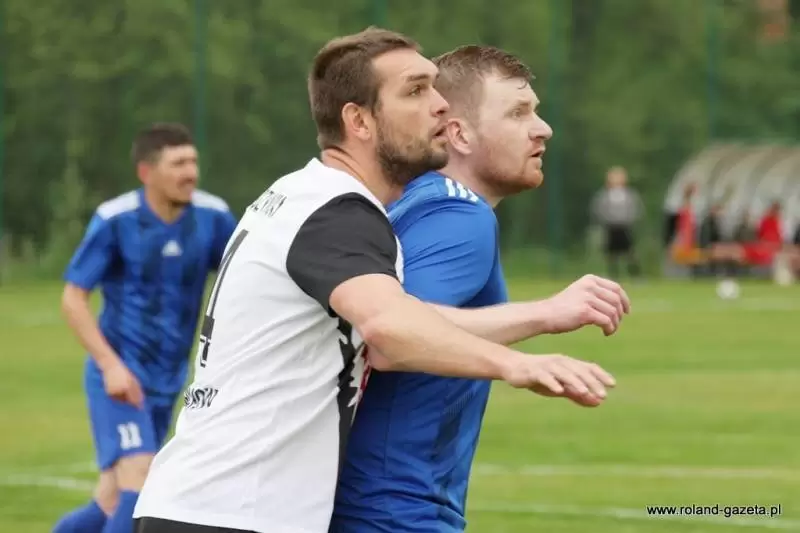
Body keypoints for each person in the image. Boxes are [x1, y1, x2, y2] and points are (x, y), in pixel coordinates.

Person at [132, 28, 620, 533]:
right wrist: (518, 363)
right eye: (416, 90)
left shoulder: (305, 195)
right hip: (234, 513)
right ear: (359, 120)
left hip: (215, 503)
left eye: (435, 87)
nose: (440, 105)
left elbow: (396, 320)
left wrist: (542, 317)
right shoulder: (339, 210)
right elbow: (389, 330)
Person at [331, 45, 630, 533]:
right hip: (395, 510)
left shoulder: (419, 202)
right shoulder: (459, 216)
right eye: (518, 113)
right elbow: (390, 332)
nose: (542, 128)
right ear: (459, 134)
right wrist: (545, 314)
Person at [54, 123, 238, 533]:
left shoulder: (212, 217)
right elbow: (73, 298)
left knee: (109, 502)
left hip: (168, 381)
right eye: (178, 164)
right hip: (120, 380)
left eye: (192, 161)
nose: (190, 172)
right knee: (139, 485)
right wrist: (110, 366)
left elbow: (244, 278)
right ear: (146, 172)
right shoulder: (116, 219)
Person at [590, 166, 644, 279]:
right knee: (611, 254)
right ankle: (613, 275)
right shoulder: (605, 195)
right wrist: (607, 220)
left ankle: (635, 275)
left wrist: (629, 220)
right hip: (611, 227)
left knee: (630, 253)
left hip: (625, 227)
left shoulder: (629, 194)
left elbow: (635, 209)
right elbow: (599, 209)